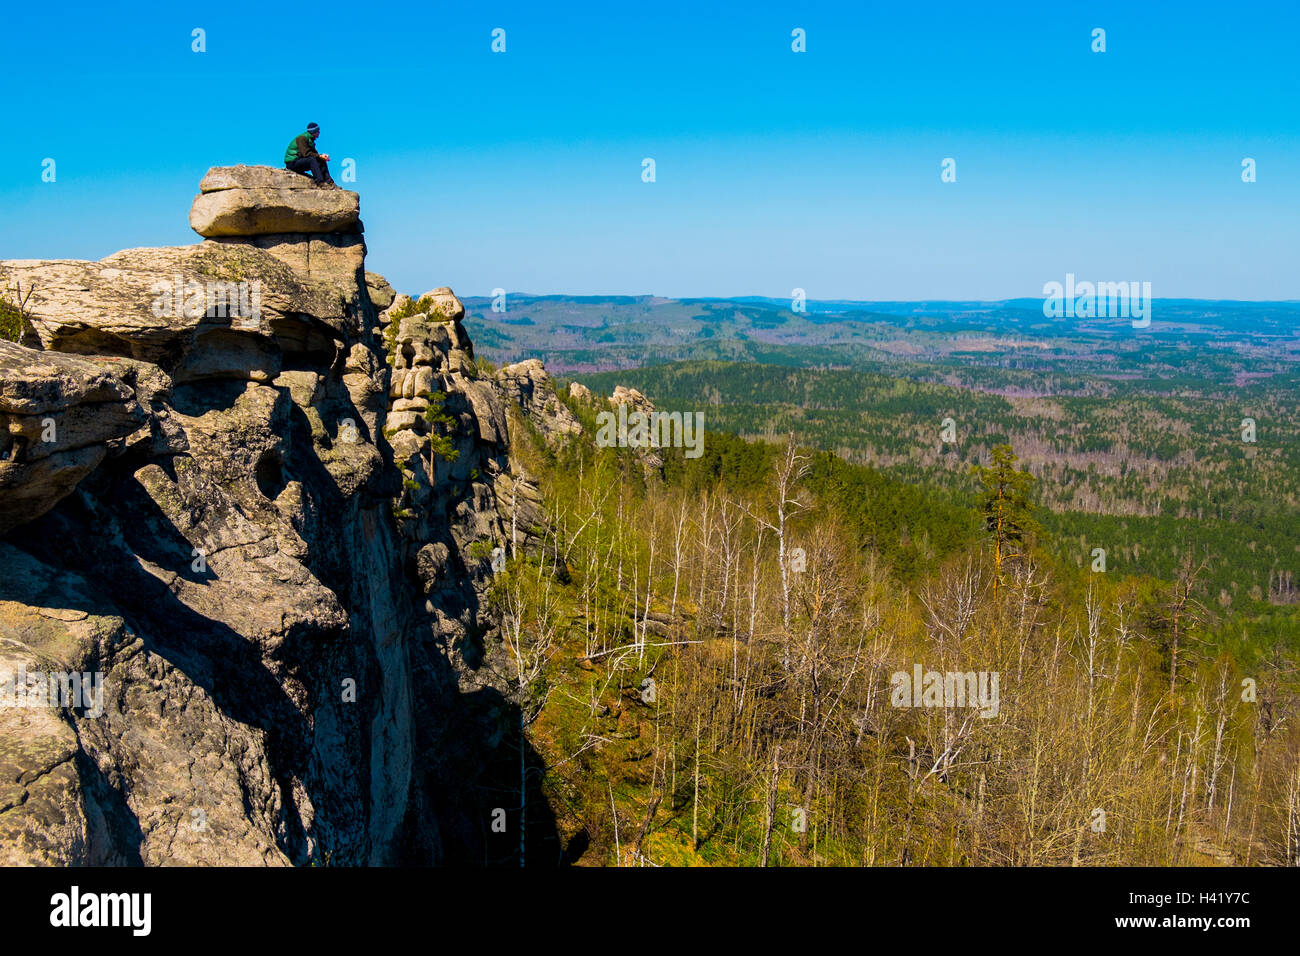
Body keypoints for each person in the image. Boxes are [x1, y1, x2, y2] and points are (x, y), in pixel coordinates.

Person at [284, 123, 337, 187]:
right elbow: (306, 154)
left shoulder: (310, 140)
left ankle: (329, 182)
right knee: (311, 160)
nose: (319, 133)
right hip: (292, 163)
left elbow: (314, 154)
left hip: (300, 161)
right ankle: (320, 182)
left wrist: (322, 156)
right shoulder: (302, 138)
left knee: (321, 160)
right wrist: (319, 156)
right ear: (314, 132)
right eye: (318, 131)